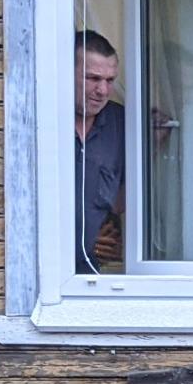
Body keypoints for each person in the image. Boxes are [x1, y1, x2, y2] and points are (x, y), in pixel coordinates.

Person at [74, 29, 126, 274]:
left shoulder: (121, 123)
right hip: (45, 277)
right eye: (93, 79)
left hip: (95, 275)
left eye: (110, 80)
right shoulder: (41, 123)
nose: (103, 91)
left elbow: (123, 198)